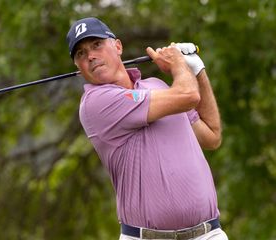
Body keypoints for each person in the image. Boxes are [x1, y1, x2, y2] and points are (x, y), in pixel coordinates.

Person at [66, 17, 228, 240]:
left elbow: (212, 136)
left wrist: (197, 70)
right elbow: (188, 95)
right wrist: (179, 65)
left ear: (118, 46)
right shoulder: (95, 103)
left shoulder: (157, 87)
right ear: (78, 66)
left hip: (208, 234)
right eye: (81, 54)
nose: (91, 56)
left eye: (96, 45)